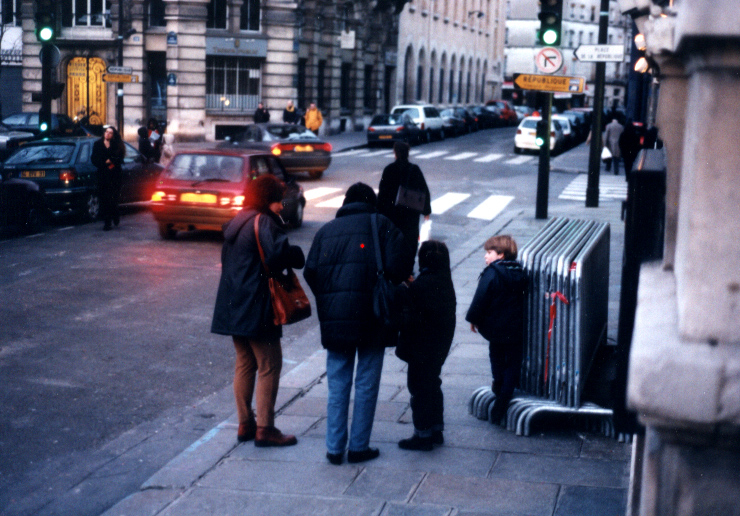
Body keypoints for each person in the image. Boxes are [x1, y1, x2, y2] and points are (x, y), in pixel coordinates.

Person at [304, 183, 408, 465]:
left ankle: (334, 448)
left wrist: (329, 300)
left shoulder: (325, 231)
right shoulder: (382, 224)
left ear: (346, 203)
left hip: (336, 320)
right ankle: (359, 446)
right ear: (370, 202)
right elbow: (400, 268)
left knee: (337, 384)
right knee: (366, 383)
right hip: (373, 317)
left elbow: (311, 272)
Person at [211, 174, 305, 447]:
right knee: (269, 364)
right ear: (268, 200)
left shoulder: (237, 221)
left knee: (245, 362)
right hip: (257, 304)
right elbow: (276, 257)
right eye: (278, 201)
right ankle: (266, 428)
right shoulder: (263, 221)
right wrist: (295, 253)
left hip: (232, 305)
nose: (281, 207)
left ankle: (245, 423)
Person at [395, 240, 456, 451]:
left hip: (421, 347)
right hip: (439, 345)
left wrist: (405, 289)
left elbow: (410, 314)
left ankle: (422, 434)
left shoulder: (421, 285)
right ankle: (436, 428)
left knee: (418, 388)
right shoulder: (444, 281)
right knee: (432, 383)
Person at [465, 235, 528, 426]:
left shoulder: (492, 273)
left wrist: (473, 319)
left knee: (496, 356)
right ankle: (504, 396)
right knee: (513, 363)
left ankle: (498, 386)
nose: (485, 256)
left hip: (497, 328)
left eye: (489, 252)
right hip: (516, 328)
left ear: (500, 254)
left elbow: (481, 297)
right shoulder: (521, 272)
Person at [377, 141, 432, 275]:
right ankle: (408, 270)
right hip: (410, 213)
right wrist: (426, 210)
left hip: (392, 214)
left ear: (395, 153)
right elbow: (423, 191)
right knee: (410, 241)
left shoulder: (389, 169)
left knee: (392, 241)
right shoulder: (414, 169)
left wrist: (379, 211)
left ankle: (393, 268)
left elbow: (382, 193)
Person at [91, 126, 125, 231]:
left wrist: (111, 161)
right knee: (104, 199)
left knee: (113, 198)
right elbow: (94, 159)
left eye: (110, 133)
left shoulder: (116, 145)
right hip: (102, 175)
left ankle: (115, 214)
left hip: (114, 175)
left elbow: (120, 158)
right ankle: (107, 222)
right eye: (106, 132)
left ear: (113, 135)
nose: (108, 134)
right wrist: (103, 163)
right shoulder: (97, 144)